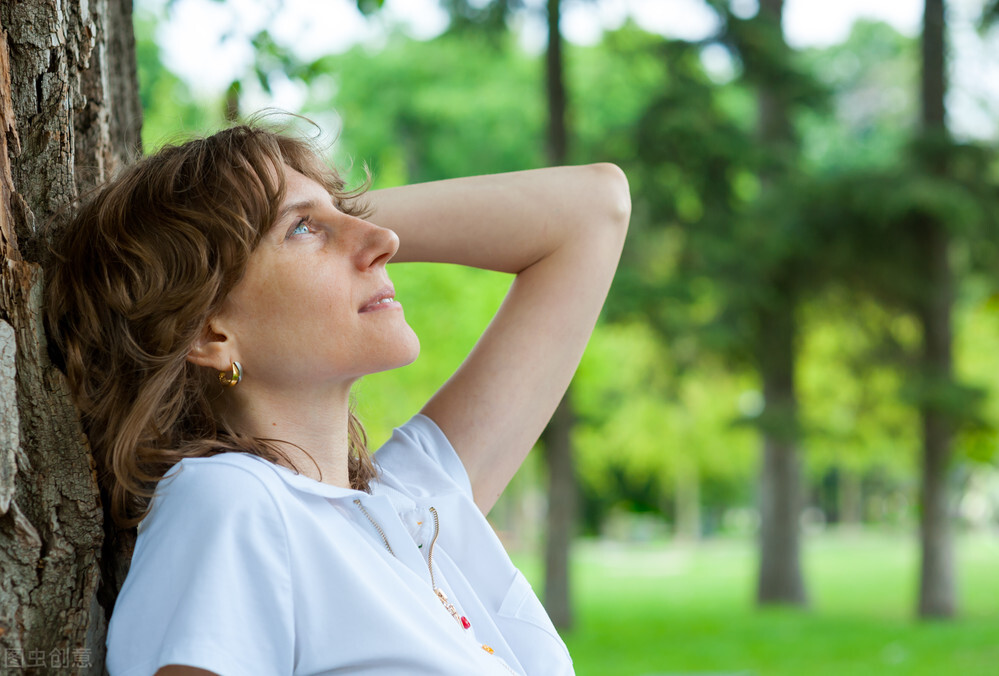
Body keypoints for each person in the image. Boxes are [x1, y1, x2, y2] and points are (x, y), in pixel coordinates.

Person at [44, 119, 629, 676]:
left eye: (346, 212)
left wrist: (306, 206)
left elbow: (595, 208)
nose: (385, 240)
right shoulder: (230, 502)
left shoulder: (414, 499)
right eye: (302, 229)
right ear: (207, 330)